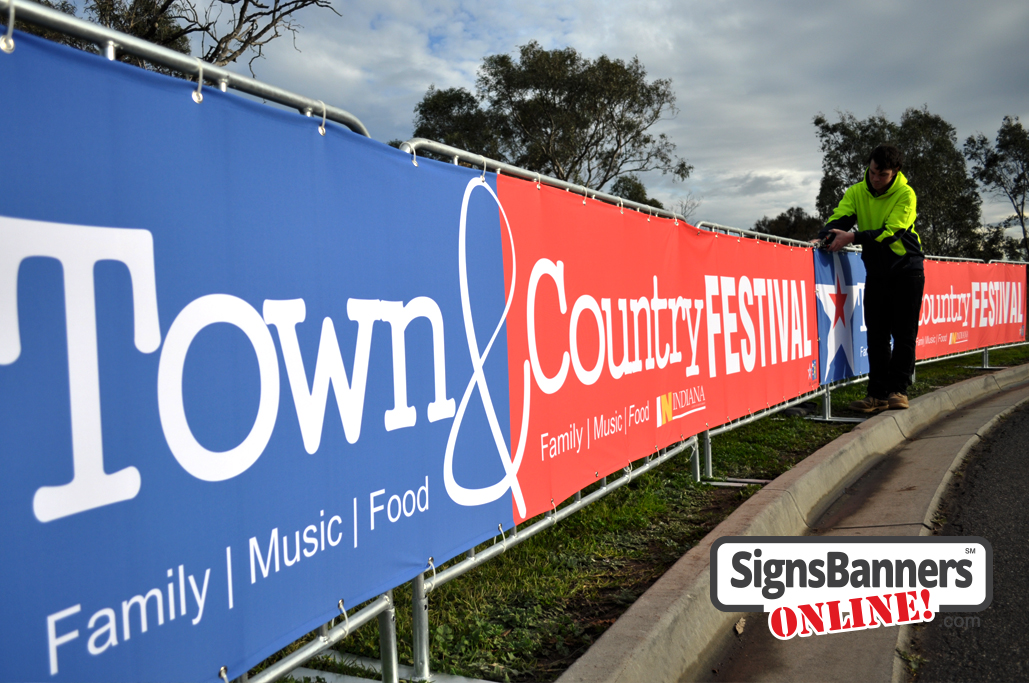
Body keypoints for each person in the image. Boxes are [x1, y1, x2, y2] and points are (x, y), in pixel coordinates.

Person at [817, 144, 924, 412]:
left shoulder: (906, 194)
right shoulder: (856, 191)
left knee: (904, 334)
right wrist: (824, 235)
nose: (875, 179)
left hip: (907, 269)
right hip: (877, 272)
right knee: (876, 334)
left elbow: (891, 234)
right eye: (873, 171)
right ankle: (876, 395)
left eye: (882, 175)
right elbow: (840, 219)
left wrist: (851, 237)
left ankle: (898, 390)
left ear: (895, 172)